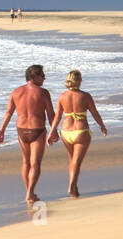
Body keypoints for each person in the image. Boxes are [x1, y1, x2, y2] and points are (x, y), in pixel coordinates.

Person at [0, 65, 54, 203]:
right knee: (35, 164)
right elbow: (51, 114)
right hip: (37, 130)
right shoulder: (43, 92)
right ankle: (30, 192)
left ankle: (29, 191)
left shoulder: (16, 92)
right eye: (42, 74)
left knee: (26, 162)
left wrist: (1, 130)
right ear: (33, 77)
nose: (44, 77)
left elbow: (8, 112)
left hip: (21, 130)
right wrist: (54, 131)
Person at [46, 69, 107, 198]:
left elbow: (57, 117)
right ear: (79, 81)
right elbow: (94, 113)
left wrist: (51, 132)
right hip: (81, 131)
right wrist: (102, 125)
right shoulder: (85, 96)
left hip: (65, 131)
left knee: (72, 160)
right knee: (76, 162)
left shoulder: (62, 96)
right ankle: (71, 186)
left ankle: (74, 188)